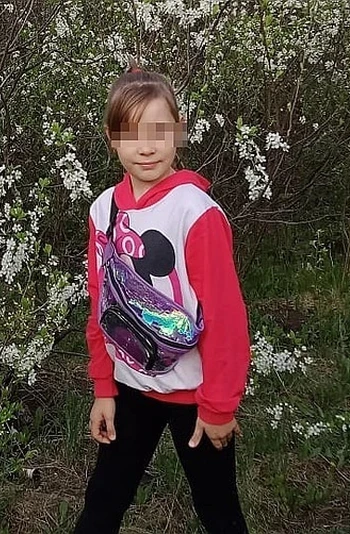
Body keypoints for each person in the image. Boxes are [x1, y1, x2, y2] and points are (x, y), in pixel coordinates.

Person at [74, 59, 251, 534]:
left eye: (159, 130)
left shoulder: (195, 212)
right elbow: (101, 302)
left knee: (218, 509)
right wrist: (104, 387)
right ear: (112, 139)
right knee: (103, 502)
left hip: (194, 393)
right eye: (131, 134)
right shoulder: (103, 209)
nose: (147, 146)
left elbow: (225, 317)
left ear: (179, 131)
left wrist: (219, 407)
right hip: (131, 386)